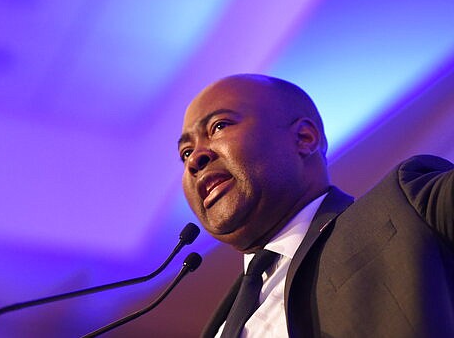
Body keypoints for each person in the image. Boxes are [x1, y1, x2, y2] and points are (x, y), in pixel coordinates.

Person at [177, 74, 454, 337]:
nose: (194, 159)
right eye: (185, 152)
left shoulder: (405, 209)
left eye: (220, 126)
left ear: (304, 138)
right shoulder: (218, 328)